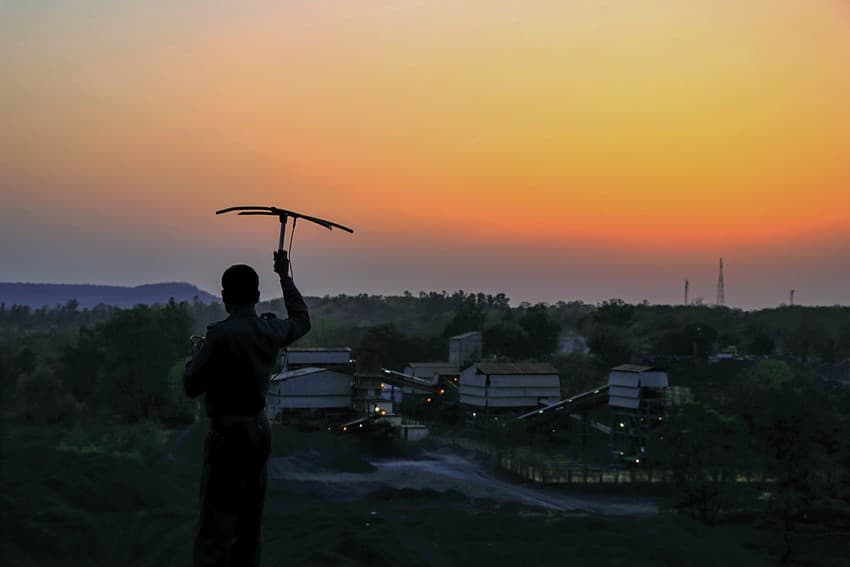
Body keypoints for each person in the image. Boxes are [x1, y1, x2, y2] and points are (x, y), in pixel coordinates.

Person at [184, 250, 310, 567]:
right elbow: (301, 320)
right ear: (256, 296)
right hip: (258, 430)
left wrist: (197, 352)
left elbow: (191, 385)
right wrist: (284, 276)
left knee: (216, 522)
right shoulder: (270, 331)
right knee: (250, 520)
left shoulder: (219, 336)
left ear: (225, 297)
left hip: (228, 433)